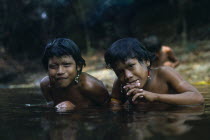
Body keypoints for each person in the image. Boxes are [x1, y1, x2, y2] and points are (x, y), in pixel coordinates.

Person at [104, 37, 204, 106]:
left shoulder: (164, 74)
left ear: (146, 61)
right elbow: (115, 104)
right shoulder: (120, 83)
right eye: (119, 72)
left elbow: (198, 98)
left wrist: (156, 97)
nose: (127, 76)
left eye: (131, 66)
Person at [40, 38, 110, 110]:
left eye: (66, 65)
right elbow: (50, 109)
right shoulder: (47, 85)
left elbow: (108, 109)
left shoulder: (90, 86)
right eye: (53, 66)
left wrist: (75, 108)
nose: (60, 71)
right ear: (47, 69)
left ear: (78, 66)